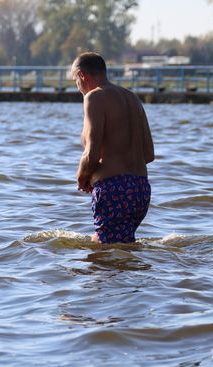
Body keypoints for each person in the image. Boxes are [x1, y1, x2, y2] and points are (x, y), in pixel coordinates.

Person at [72, 52, 155, 244]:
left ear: (82, 75)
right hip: (141, 189)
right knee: (120, 251)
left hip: (114, 190)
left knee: (103, 262)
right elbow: (149, 154)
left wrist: (81, 177)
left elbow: (91, 154)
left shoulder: (94, 97)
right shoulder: (132, 98)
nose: (77, 87)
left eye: (75, 80)